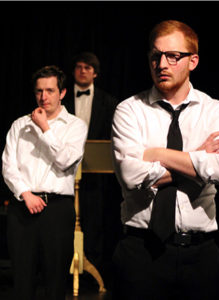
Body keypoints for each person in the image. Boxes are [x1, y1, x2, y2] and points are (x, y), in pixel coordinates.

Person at [111, 20, 219, 300]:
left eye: (173, 56)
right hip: (139, 252)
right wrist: (197, 158)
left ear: (193, 61)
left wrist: (156, 154)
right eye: (155, 56)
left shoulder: (214, 111)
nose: (162, 64)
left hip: (200, 254)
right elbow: (131, 176)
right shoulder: (129, 110)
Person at [2, 65, 88, 300]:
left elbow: (65, 161)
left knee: (55, 280)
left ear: (62, 93)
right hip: (23, 206)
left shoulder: (75, 126)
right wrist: (26, 194)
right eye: (39, 91)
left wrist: (45, 128)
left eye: (50, 91)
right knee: (22, 280)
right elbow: (8, 166)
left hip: (57, 209)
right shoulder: (19, 125)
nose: (43, 97)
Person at [64, 52, 121, 285]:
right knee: (68, 220)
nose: (83, 71)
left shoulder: (108, 102)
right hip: (66, 171)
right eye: (78, 67)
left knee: (95, 222)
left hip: (96, 174)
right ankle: (68, 269)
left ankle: (92, 272)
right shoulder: (62, 101)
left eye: (88, 67)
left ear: (95, 73)